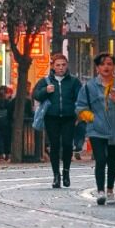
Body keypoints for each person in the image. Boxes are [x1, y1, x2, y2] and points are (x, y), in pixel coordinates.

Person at [77, 52, 115, 204]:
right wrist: (93, 119)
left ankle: (110, 190)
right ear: (97, 67)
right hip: (96, 130)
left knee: (112, 160)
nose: (106, 67)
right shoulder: (89, 86)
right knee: (100, 159)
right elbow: (80, 108)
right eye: (103, 64)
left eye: (109, 64)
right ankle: (100, 191)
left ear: (114, 67)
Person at [32, 53, 81, 188]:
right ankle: (56, 175)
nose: (61, 68)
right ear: (53, 66)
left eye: (63, 65)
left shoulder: (74, 81)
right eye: (58, 65)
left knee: (67, 145)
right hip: (51, 118)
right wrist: (45, 91)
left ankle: (66, 172)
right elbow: (35, 95)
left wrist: (78, 114)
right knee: (54, 146)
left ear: (67, 66)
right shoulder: (45, 81)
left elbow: (80, 98)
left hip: (68, 118)